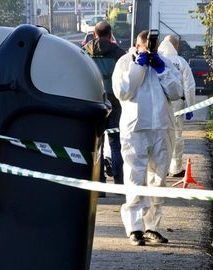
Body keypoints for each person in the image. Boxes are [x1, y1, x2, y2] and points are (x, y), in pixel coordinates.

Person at [112, 30, 182, 246]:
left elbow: (176, 92)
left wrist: (161, 69)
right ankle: (135, 228)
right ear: (137, 45)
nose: (149, 49)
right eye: (146, 46)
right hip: (136, 129)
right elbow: (122, 92)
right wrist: (138, 66)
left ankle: (152, 226)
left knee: (158, 180)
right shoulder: (125, 62)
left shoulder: (165, 63)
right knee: (135, 176)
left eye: (153, 45)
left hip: (161, 127)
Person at [83, 21, 126, 194]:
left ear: (94, 34)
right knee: (116, 144)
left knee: (97, 145)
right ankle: (119, 184)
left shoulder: (84, 51)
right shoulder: (118, 53)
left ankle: (99, 187)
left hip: (94, 102)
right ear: (110, 35)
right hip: (114, 103)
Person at [158, 35, 196, 177]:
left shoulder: (157, 60)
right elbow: (189, 86)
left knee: (160, 135)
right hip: (177, 104)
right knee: (177, 135)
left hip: (160, 103)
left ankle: (161, 168)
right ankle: (176, 168)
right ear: (175, 46)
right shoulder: (181, 62)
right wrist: (190, 106)